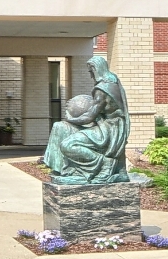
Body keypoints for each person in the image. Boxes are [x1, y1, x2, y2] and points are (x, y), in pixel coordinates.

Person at [43, 56, 131, 184]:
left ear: (95, 69)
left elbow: (89, 117)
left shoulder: (102, 89)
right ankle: (69, 170)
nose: (90, 75)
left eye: (91, 72)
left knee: (68, 145)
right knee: (60, 126)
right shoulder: (114, 82)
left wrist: (71, 119)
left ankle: (105, 164)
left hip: (109, 129)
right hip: (112, 125)